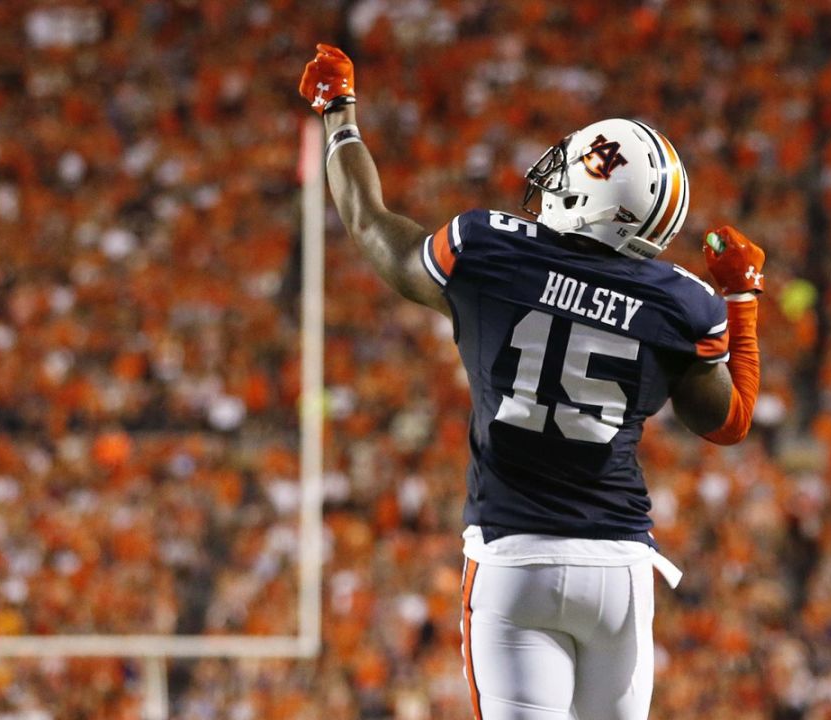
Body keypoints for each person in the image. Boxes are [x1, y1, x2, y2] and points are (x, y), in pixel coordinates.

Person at [299, 43, 768, 720]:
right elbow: (730, 421)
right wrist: (742, 301)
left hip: (514, 560)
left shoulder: (489, 249)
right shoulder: (680, 303)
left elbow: (372, 226)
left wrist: (337, 112)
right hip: (617, 569)